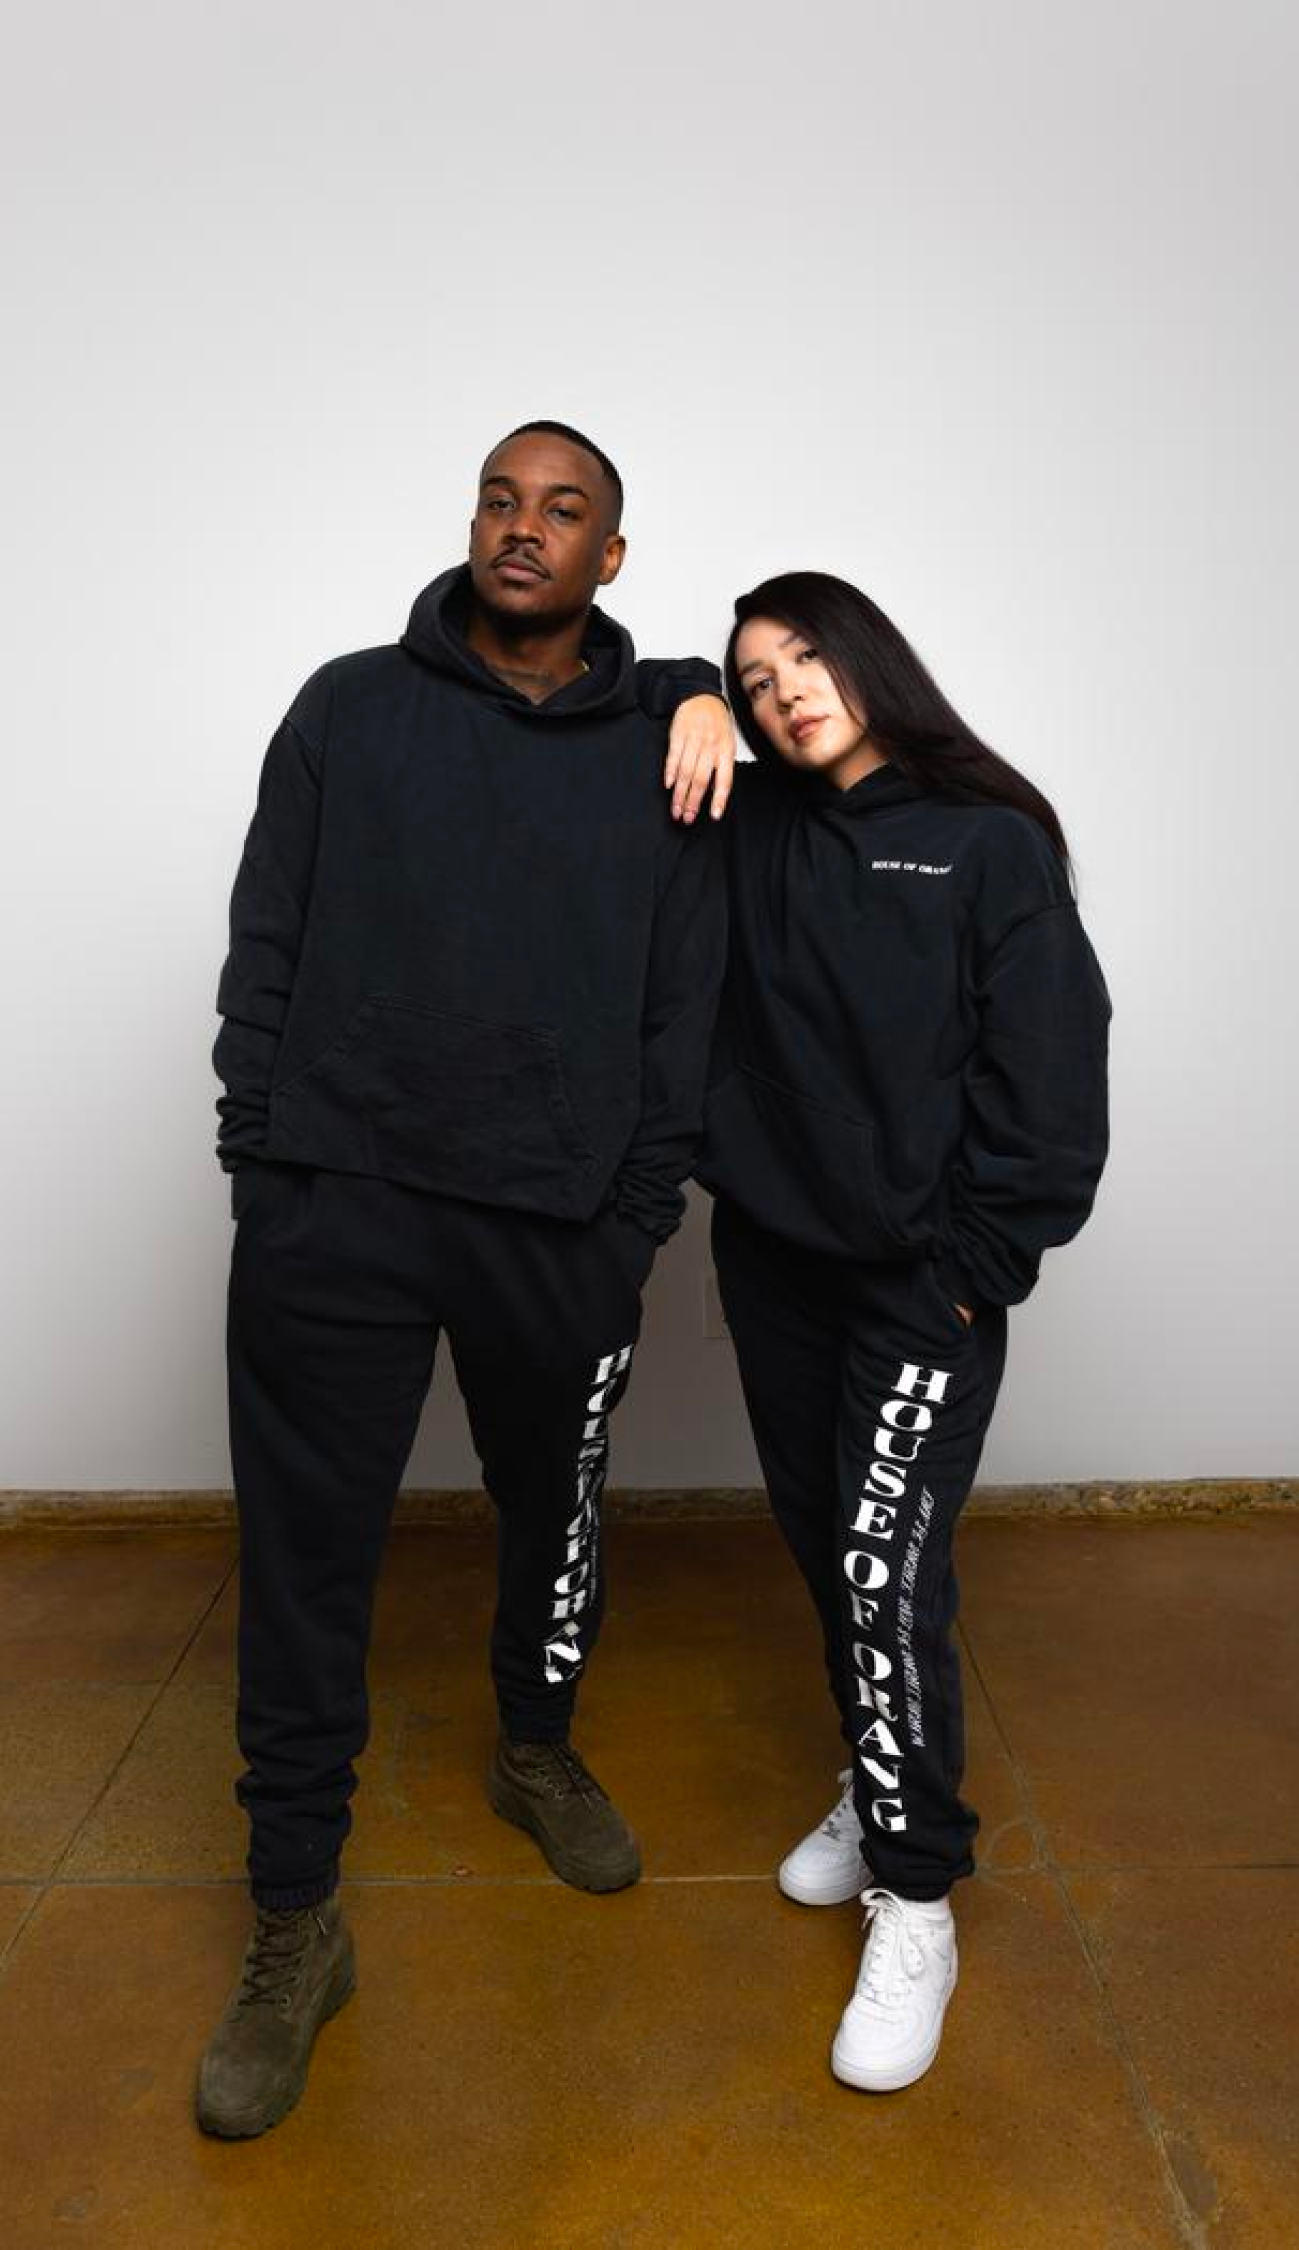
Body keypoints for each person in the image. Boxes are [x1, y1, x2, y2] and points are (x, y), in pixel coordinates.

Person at [198, 420, 737, 2139]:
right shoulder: (350, 706)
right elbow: (266, 933)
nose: (524, 528)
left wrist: (632, 1215)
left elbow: (687, 997)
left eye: (564, 510)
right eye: (503, 498)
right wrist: (265, 1164)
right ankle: (297, 1917)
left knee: (551, 1510)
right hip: (338, 1205)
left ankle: (532, 1741)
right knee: (305, 1561)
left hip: (555, 1222)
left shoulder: (669, 744)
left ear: (610, 558)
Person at [696, 571, 1110, 2093]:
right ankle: (880, 1788)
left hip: (919, 1284)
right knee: (829, 1551)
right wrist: (686, 695)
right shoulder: (748, 827)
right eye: (755, 679)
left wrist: (977, 1267)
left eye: (806, 656)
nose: (784, 692)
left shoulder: (989, 842)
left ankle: (919, 1893)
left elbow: (1054, 1071)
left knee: (887, 1574)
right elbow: (599, 722)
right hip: (773, 1266)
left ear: (870, 658)